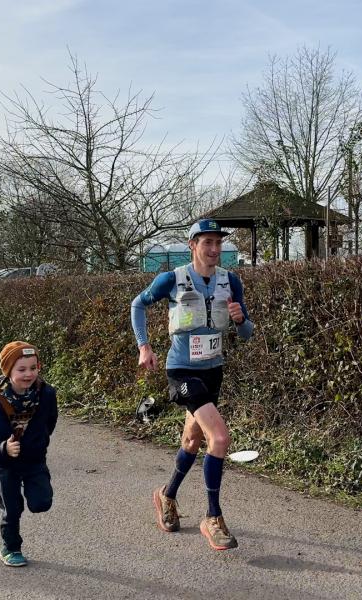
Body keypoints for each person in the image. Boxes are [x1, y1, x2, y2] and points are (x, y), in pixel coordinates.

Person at [131, 219, 254, 550]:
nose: (214, 250)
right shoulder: (171, 279)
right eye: (207, 243)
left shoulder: (231, 281)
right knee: (220, 438)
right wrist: (144, 345)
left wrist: (241, 320)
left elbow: (246, 333)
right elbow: (137, 305)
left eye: (218, 243)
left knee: (191, 441)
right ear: (193, 245)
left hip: (213, 371)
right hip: (182, 371)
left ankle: (166, 495)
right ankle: (212, 517)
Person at [0, 341, 59, 567]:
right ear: (8, 371)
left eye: (33, 368)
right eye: (21, 369)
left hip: (34, 460)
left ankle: (31, 490)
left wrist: (38, 442)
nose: (29, 374)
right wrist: (4, 448)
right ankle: (11, 548)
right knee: (12, 508)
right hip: (5, 463)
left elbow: (49, 422)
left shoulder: (47, 394)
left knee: (42, 502)